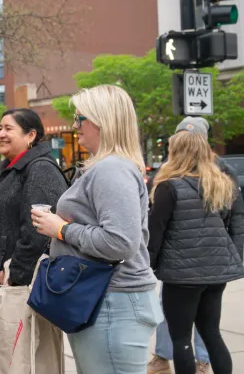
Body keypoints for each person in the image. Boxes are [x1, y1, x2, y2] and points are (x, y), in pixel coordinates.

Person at [32, 85, 163, 373]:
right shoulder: (106, 167)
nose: (74, 125)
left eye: (80, 118)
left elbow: (120, 242)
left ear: (102, 120)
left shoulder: (112, 169)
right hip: (106, 301)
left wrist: (62, 230)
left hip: (113, 303)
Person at [148, 130, 244, 374]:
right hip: (215, 273)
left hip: (181, 276)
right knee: (212, 333)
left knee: (180, 339)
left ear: (175, 153)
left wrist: (149, 267)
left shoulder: (169, 188)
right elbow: (231, 225)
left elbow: (154, 234)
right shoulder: (221, 184)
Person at [0, 108, 67, 322]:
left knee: (16, 353)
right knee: (3, 353)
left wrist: (14, 275)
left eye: (9, 128)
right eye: (0, 128)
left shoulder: (40, 170)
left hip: (17, 289)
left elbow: (38, 232)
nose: (0, 134)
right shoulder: (6, 167)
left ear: (31, 135)